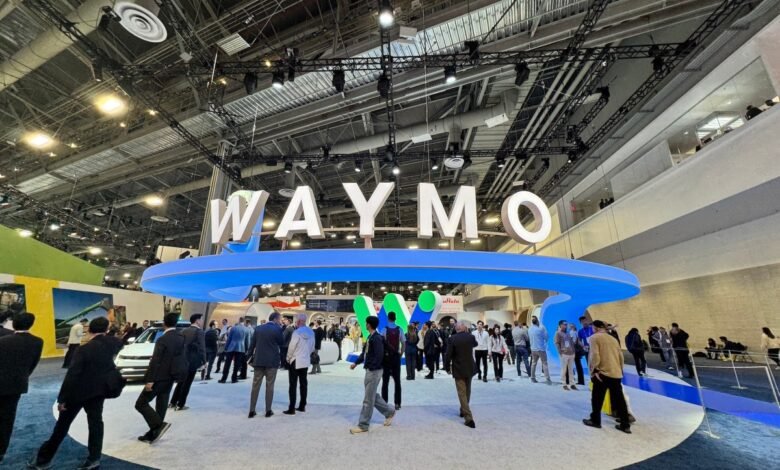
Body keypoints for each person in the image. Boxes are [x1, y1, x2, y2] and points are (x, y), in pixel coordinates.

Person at [30, 317, 123, 470]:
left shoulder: (83, 350)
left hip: (78, 393)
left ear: (89, 329)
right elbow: (118, 341)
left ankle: (43, 460)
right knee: (96, 424)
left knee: (62, 426)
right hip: (99, 391)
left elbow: (72, 375)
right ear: (106, 330)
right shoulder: (114, 343)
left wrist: (62, 399)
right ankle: (94, 459)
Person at [0, 312, 43, 464]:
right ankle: (1, 452)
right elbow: (33, 364)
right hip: (17, 385)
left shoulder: (3, 341)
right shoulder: (38, 342)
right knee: (7, 419)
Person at [135, 313, 185, 444]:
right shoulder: (181, 337)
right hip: (171, 377)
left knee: (140, 404)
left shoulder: (163, 339)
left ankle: (158, 425)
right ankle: (153, 433)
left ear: (164, 323)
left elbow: (156, 361)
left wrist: (150, 380)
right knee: (161, 404)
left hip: (158, 377)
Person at [583, 320, 631, 434]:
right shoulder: (613, 339)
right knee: (620, 400)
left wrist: (595, 370)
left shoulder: (594, 338)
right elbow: (620, 356)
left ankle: (595, 420)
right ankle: (625, 424)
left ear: (597, 328)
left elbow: (595, 355)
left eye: (593, 328)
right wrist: (620, 370)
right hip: (616, 373)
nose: (592, 330)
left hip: (602, 374)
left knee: (597, 399)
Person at [349, 316, 394, 434]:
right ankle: (389, 412)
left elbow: (379, 356)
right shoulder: (370, 337)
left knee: (368, 400)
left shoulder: (377, 338)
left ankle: (363, 425)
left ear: (369, 324)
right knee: (372, 395)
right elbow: (365, 354)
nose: (365, 324)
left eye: (366, 322)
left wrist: (372, 368)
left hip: (374, 371)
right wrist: (356, 363)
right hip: (370, 370)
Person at [247, 312, 284, 418]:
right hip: (272, 362)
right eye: (280, 319)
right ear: (276, 319)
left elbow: (252, 344)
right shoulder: (277, 329)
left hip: (258, 361)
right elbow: (281, 343)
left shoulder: (258, 328)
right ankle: (268, 410)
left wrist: (248, 357)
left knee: (255, 386)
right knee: (270, 386)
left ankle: (251, 410)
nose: (280, 321)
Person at [170, 314, 206, 411]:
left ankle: (173, 402)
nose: (202, 321)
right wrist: (204, 361)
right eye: (201, 319)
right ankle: (180, 404)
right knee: (187, 383)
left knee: (181, 382)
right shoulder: (199, 332)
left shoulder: (183, 331)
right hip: (192, 361)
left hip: (182, 360)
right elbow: (202, 348)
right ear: (197, 320)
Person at [445, 320, 477, 428]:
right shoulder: (470, 337)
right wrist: (468, 332)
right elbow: (475, 344)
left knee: (462, 393)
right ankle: (463, 410)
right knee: (467, 391)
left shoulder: (452, 339)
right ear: (464, 328)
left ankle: (468, 418)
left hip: (458, 368)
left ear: (456, 328)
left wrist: (446, 367)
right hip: (470, 368)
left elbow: (448, 355)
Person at [284, 314, 315, 415]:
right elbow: (312, 348)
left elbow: (291, 347)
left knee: (292, 385)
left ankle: (291, 408)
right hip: (305, 360)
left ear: (298, 321)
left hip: (295, 360)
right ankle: (302, 406)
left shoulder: (296, 332)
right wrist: (307, 355)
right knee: (303, 384)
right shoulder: (311, 332)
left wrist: (288, 358)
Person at [381, 312, 404, 410]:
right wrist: (400, 354)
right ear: (395, 318)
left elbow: (382, 344)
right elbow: (404, 343)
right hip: (396, 358)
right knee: (397, 381)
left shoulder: (384, 329)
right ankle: (397, 403)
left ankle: (384, 402)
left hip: (386, 358)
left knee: (385, 382)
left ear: (388, 318)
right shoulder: (400, 329)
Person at [219, 317, 250, 384]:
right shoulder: (246, 329)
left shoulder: (233, 328)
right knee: (237, 364)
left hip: (231, 347)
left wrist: (226, 347)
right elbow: (247, 341)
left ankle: (223, 378)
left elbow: (229, 339)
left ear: (239, 321)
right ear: (244, 322)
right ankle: (234, 378)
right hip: (241, 348)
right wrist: (247, 349)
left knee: (227, 363)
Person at [554, 320, 577, 390]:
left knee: (571, 369)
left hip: (571, 353)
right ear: (560, 325)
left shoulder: (568, 333)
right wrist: (560, 352)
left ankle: (572, 383)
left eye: (566, 324)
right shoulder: (558, 333)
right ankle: (564, 384)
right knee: (564, 369)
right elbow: (556, 343)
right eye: (564, 324)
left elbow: (572, 342)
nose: (566, 326)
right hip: (564, 354)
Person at [529, 316, 551, 385]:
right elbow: (546, 337)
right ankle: (547, 379)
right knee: (544, 363)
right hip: (541, 349)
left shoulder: (529, 329)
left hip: (533, 349)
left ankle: (532, 377)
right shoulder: (541, 328)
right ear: (537, 321)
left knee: (533, 363)